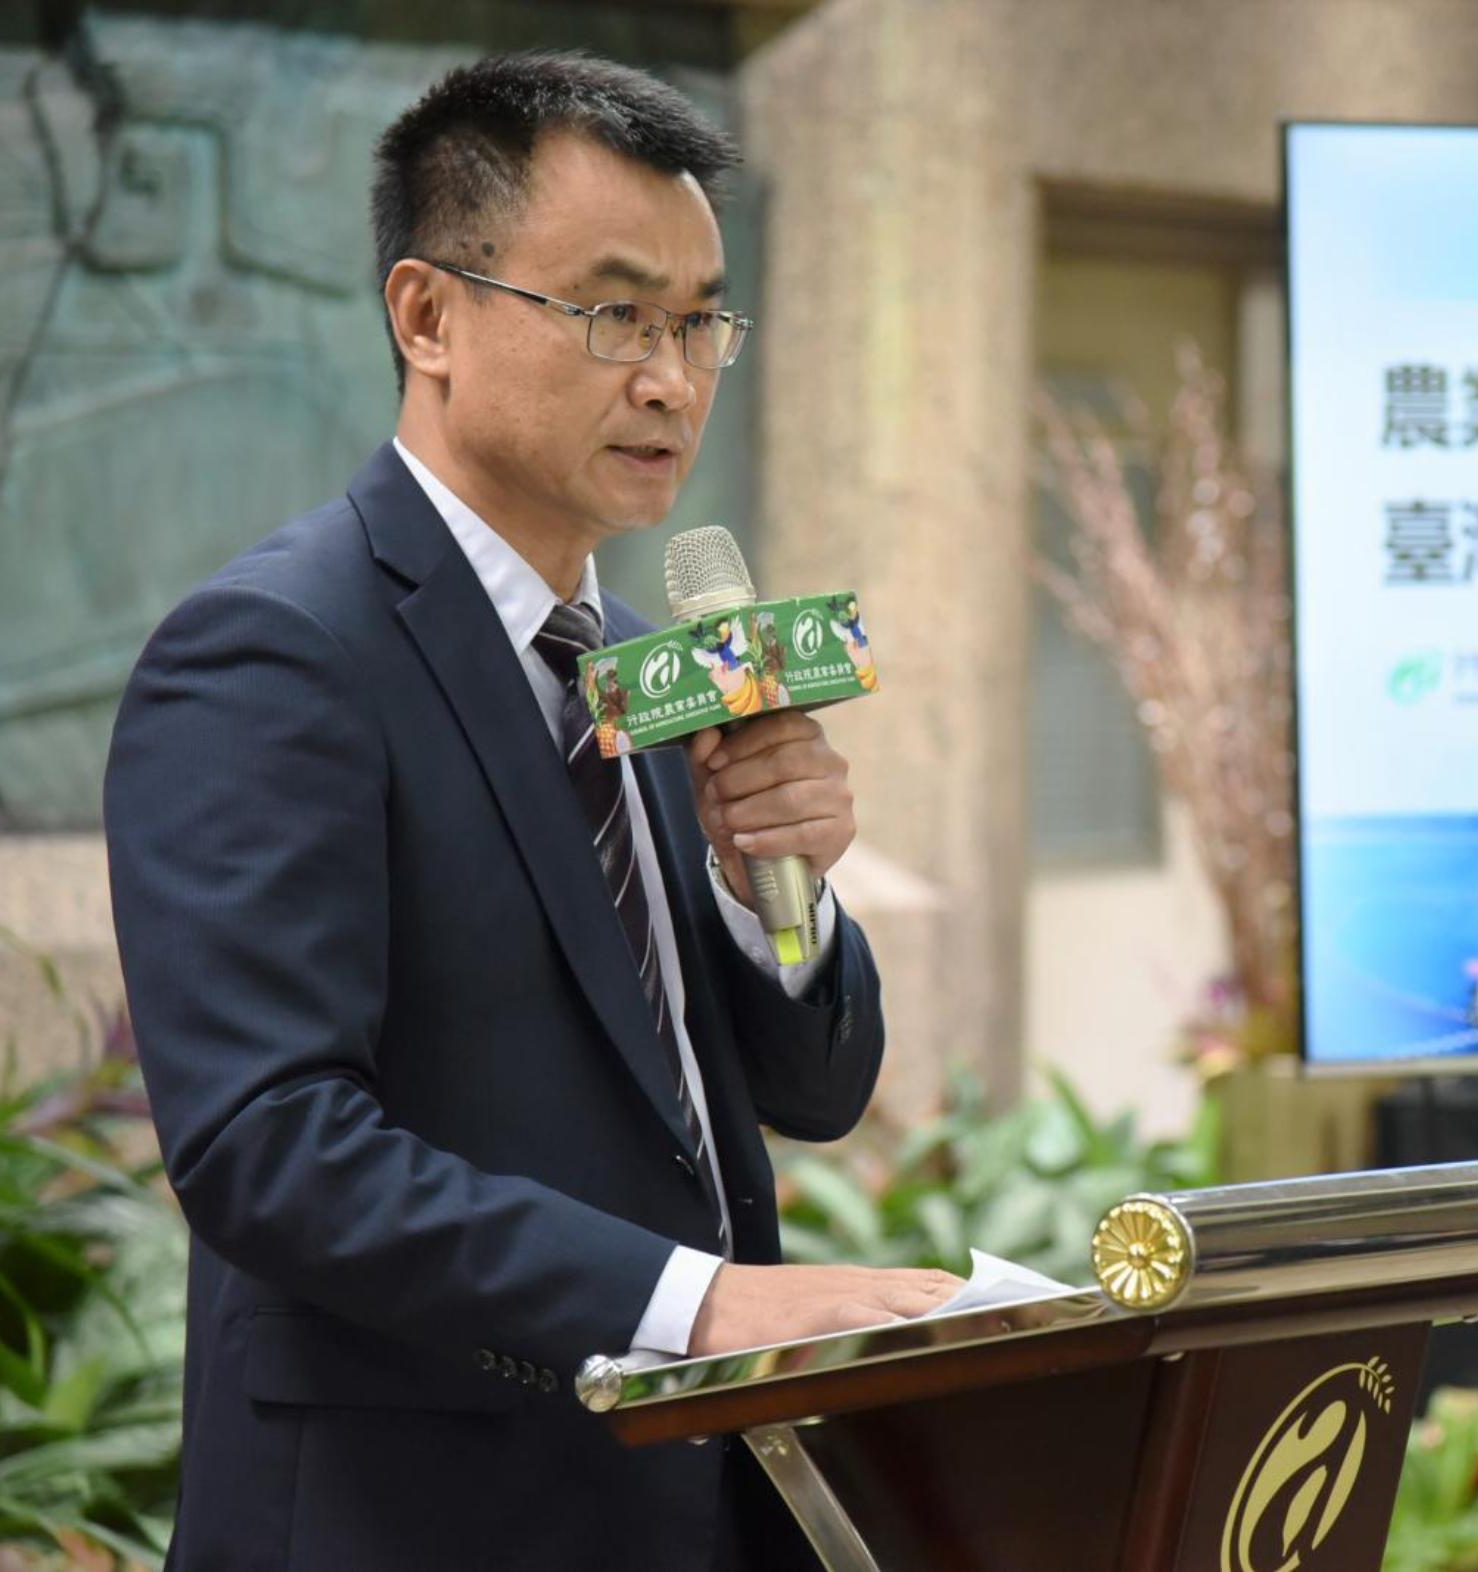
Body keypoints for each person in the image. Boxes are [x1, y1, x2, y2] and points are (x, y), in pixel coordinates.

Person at [102, 53, 958, 1572]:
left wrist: (777, 894)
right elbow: (268, 1145)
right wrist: (699, 1304)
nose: (671, 379)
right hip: (410, 1519)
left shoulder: (648, 660)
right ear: (428, 316)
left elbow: (813, 1095)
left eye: (700, 322)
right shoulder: (275, 651)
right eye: (616, 314)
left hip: (687, 1506)